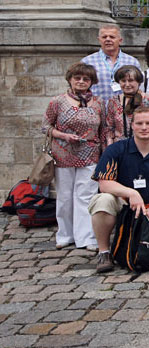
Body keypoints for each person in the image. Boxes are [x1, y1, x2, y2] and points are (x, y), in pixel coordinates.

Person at [89, 106, 149, 273]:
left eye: (148, 123)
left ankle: (146, 240)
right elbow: (104, 183)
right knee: (102, 201)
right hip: (123, 204)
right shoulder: (115, 150)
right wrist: (131, 193)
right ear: (132, 126)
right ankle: (104, 252)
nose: (144, 127)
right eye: (139, 123)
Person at [42, 62, 106, 251]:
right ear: (70, 79)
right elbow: (45, 126)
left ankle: (86, 237)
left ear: (91, 82)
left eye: (85, 79)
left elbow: (103, 130)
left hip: (90, 154)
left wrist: (103, 152)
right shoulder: (58, 101)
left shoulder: (98, 102)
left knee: (86, 197)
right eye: (77, 78)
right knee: (64, 196)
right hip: (63, 154)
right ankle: (65, 234)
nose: (81, 81)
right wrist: (63, 136)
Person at [81, 25, 141, 111]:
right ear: (99, 40)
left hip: (124, 113)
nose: (108, 39)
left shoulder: (132, 62)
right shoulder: (87, 62)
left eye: (112, 37)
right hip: (96, 112)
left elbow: (139, 89)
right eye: (104, 37)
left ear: (120, 40)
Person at [104, 65, 149, 145]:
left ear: (138, 82)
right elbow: (109, 127)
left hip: (143, 145)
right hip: (119, 146)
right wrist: (110, 146)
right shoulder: (113, 101)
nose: (127, 84)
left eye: (131, 81)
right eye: (123, 81)